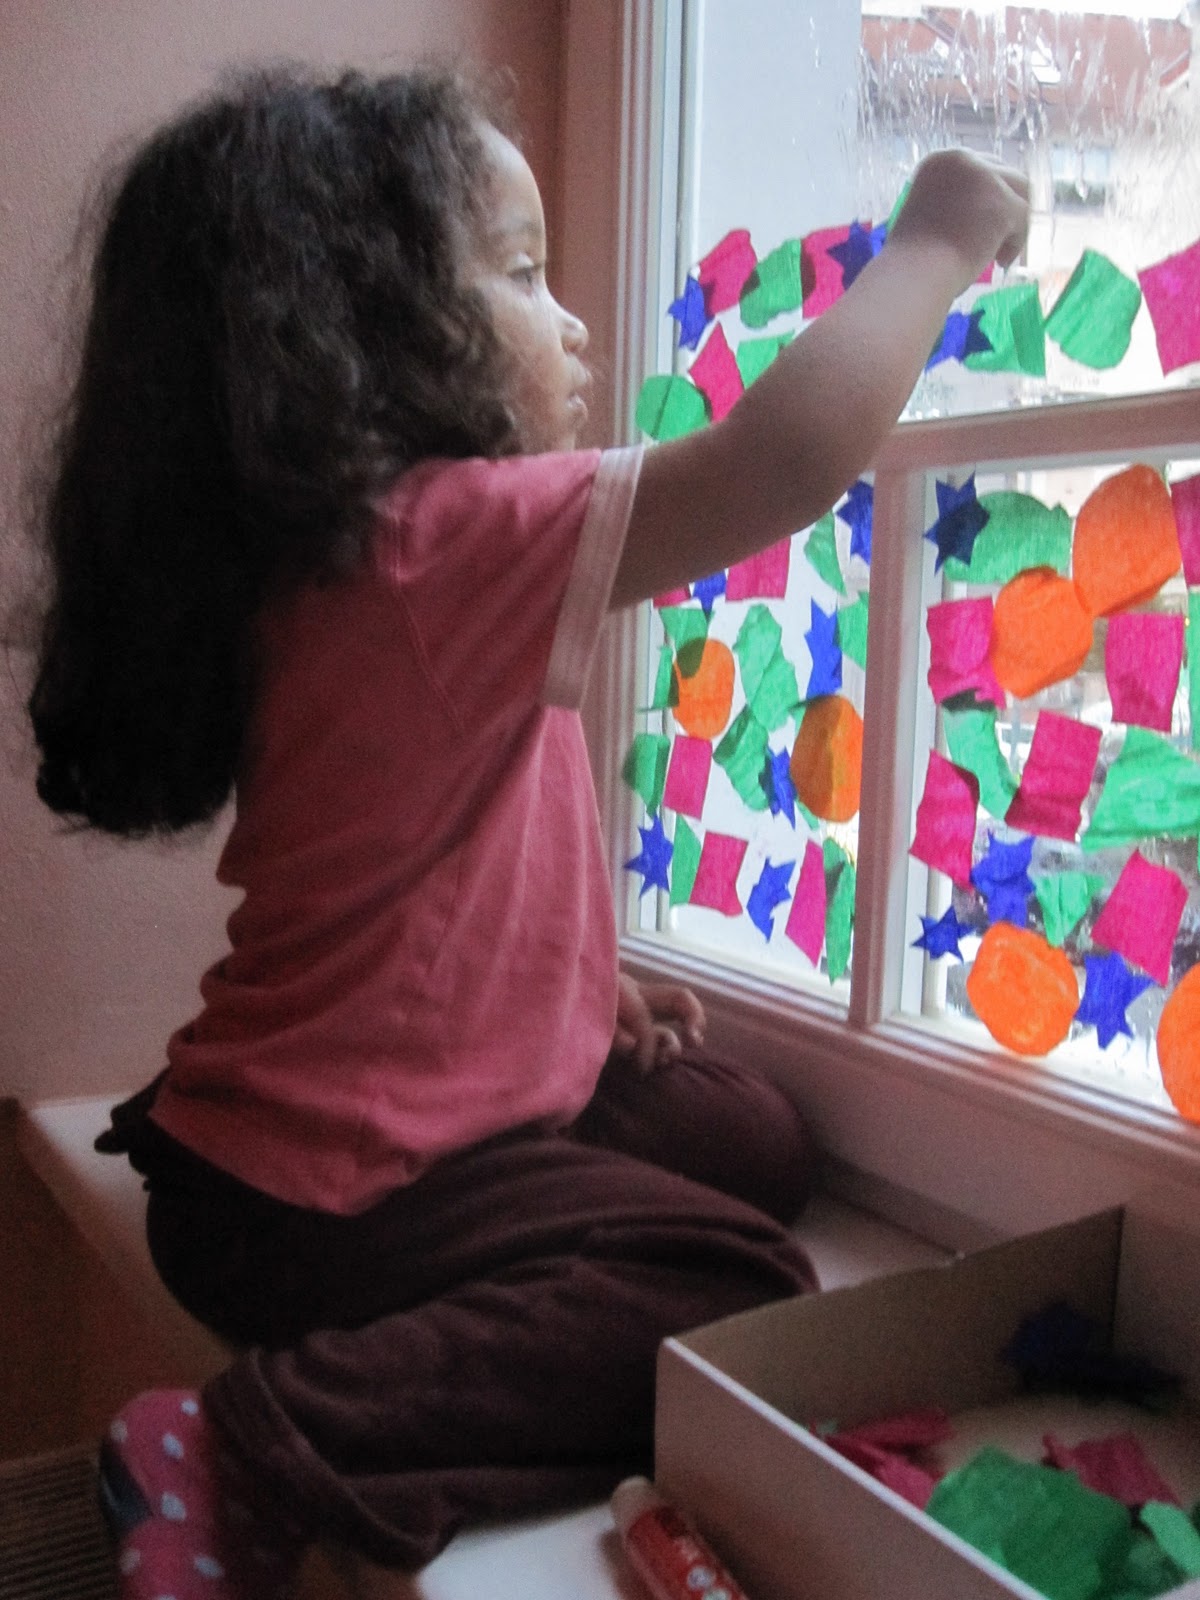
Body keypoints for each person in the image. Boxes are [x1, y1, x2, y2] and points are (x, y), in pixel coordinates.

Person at [27, 64, 1029, 1600]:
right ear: (362, 330)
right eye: (515, 270)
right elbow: (778, 465)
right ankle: (247, 1451)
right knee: (736, 1278)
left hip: (285, 1156)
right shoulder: (440, 534)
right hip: (321, 1195)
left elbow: (416, 860)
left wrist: (570, 988)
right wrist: (936, 239)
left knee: (746, 1137)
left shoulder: (363, 565)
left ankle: (365, 1319)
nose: (571, 320)